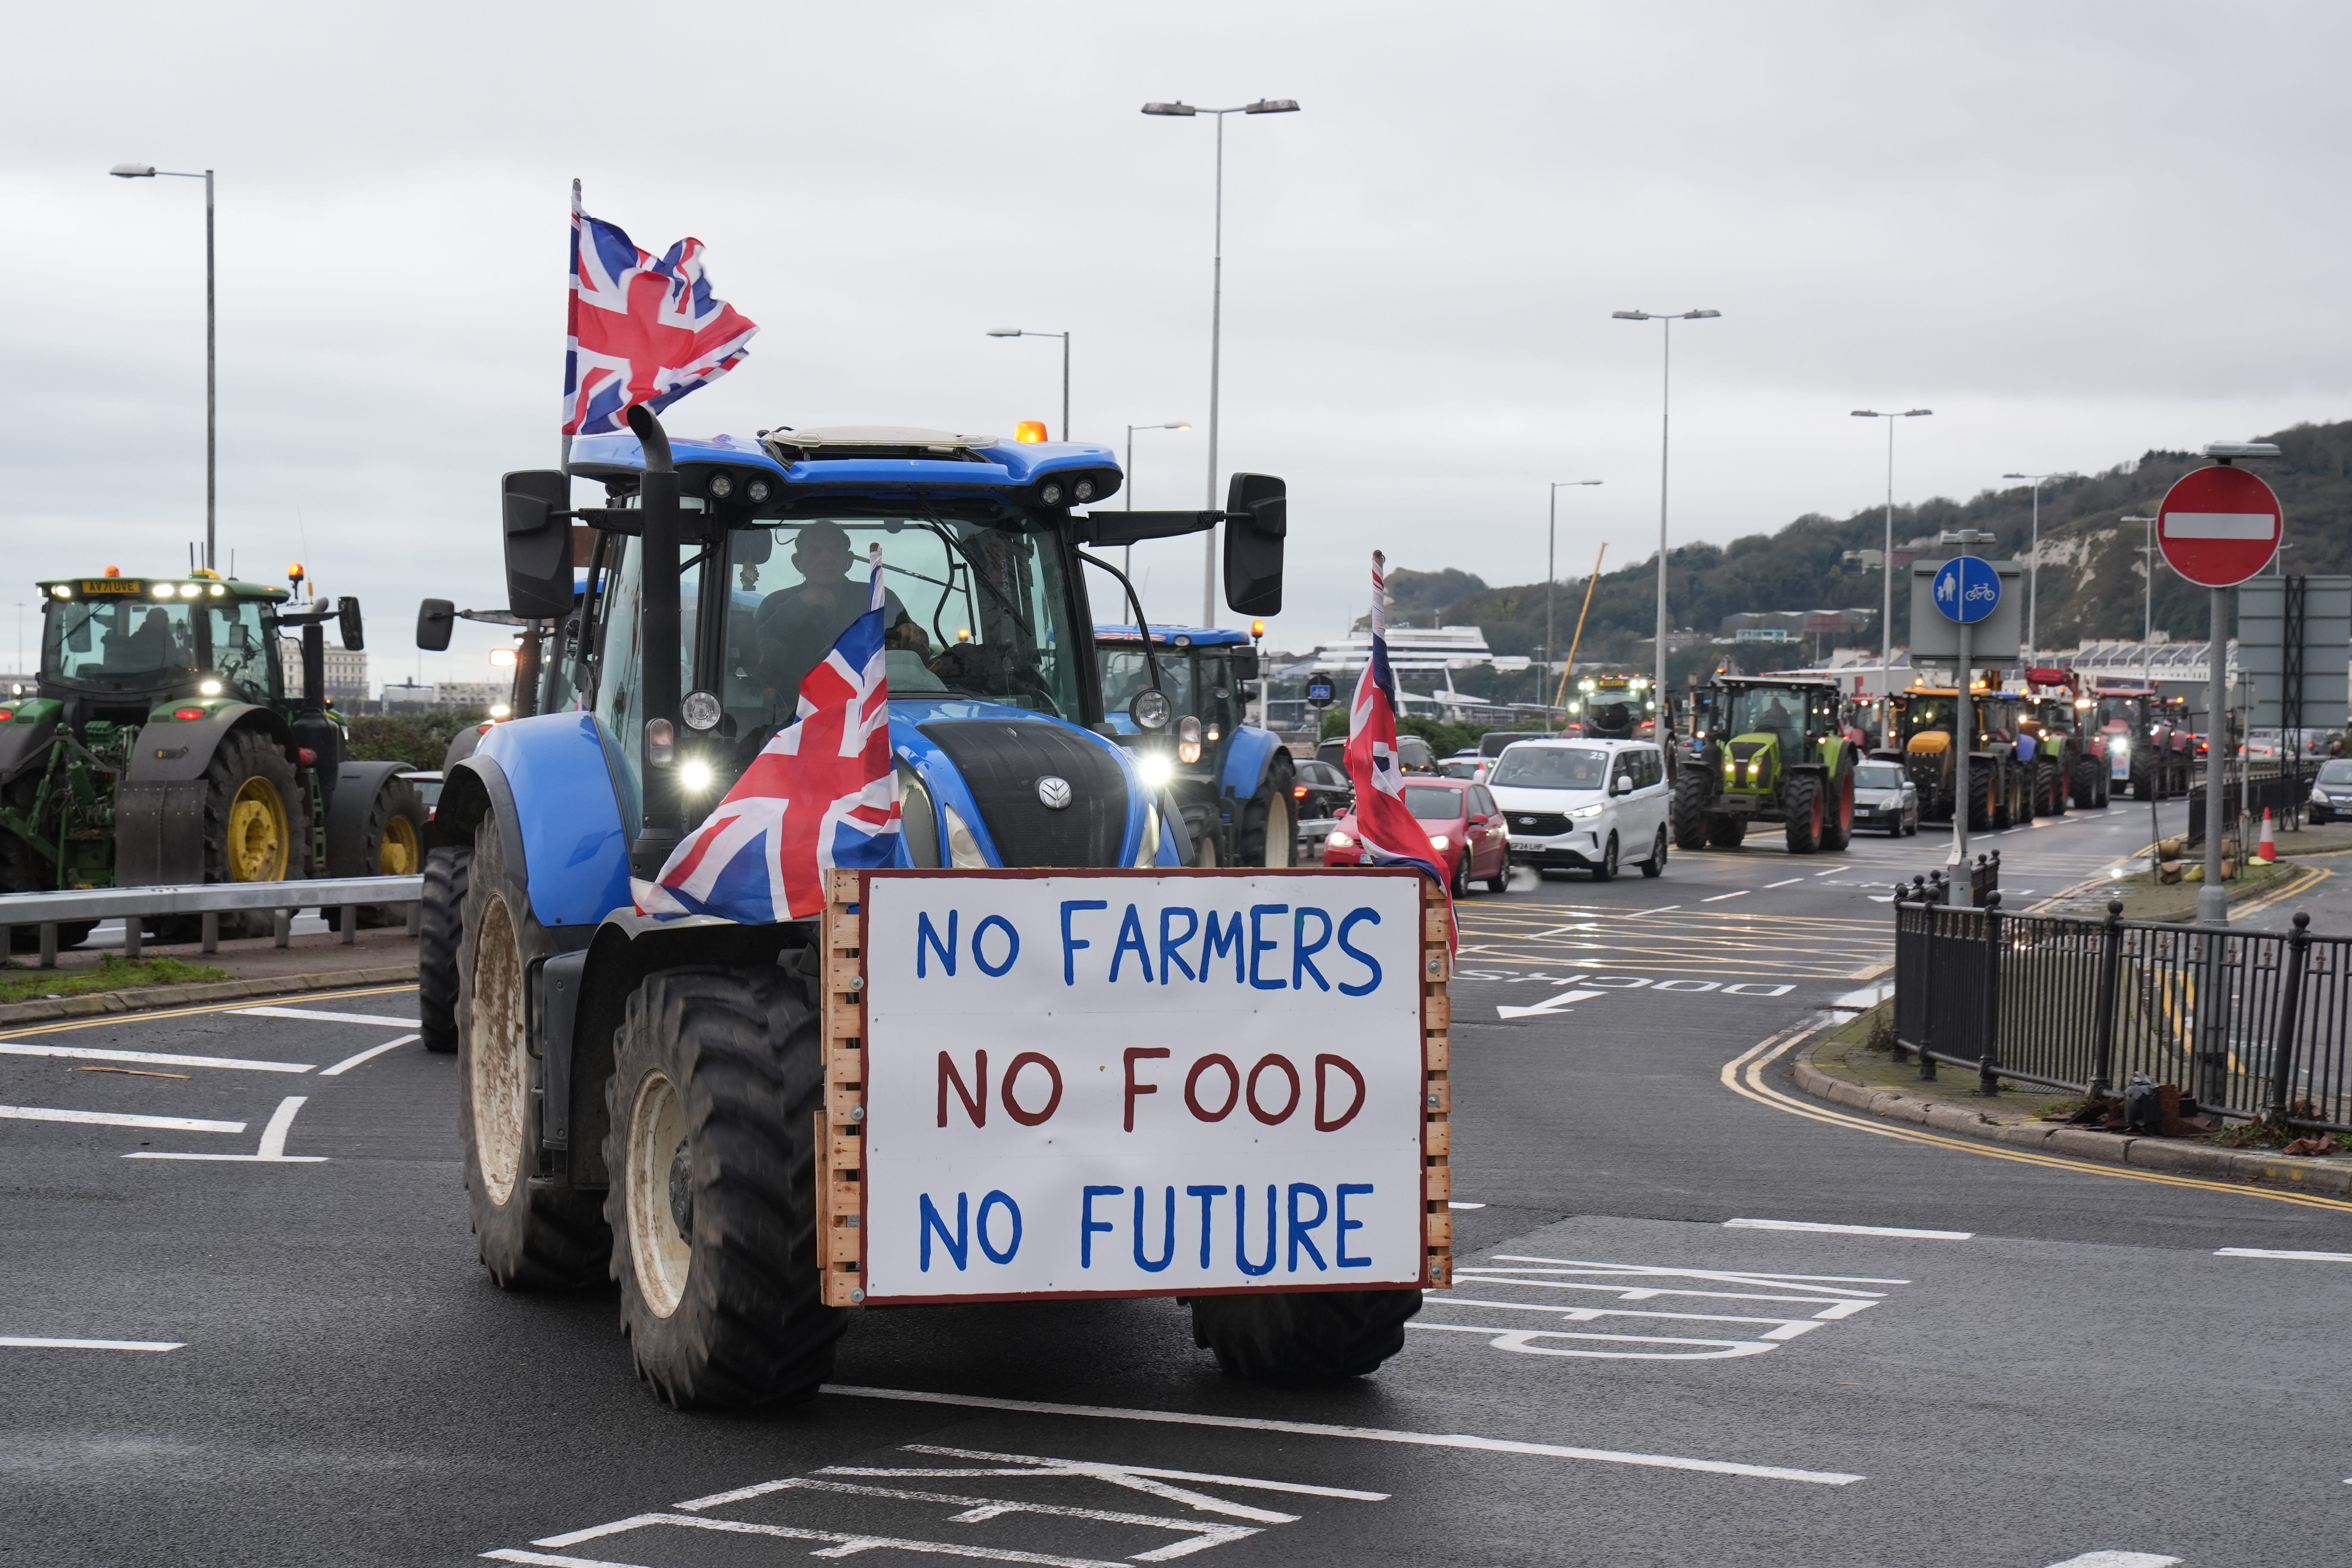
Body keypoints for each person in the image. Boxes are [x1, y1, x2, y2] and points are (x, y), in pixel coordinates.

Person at [754, 522, 915, 700]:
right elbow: (754, 655)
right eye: (815, 551)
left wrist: (915, 635)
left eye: (835, 551)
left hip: (868, 710)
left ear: (849, 560)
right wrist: (796, 607)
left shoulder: (879, 599)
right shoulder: (775, 603)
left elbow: (914, 652)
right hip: (791, 713)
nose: (826, 559)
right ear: (798, 562)